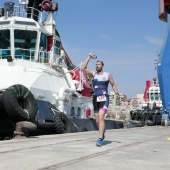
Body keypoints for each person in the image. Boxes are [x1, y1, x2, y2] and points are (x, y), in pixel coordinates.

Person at [82, 53, 120, 147]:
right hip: (95, 98)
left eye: (99, 64)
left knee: (101, 116)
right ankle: (102, 132)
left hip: (104, 98)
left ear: (102, 66)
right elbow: (83, 68)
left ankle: (99, 139)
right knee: (97, 120)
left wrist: (116, 93)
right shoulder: (93, 74)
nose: (97, 65)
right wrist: (89, 57)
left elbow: (113, 84)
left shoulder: (107, 75)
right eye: (96, 64)